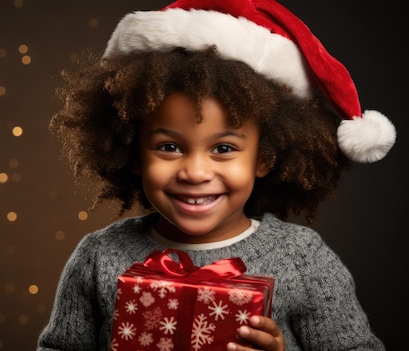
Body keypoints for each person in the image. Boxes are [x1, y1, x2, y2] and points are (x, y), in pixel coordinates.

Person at [37, 0, 395, 350]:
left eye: (223, 149)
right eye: (169, 147)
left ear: (265, 157)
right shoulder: (98, 256)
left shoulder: (302, 259)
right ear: (134, 153)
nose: (195, 172)